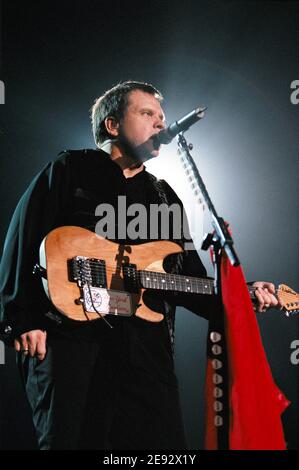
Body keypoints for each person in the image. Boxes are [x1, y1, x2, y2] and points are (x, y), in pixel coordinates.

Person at [0, 81, 280, 450]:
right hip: (72, 344)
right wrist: (23, 318)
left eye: (163, 118)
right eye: (147, 114)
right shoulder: (69, 169)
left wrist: (241, 296)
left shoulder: (164, 195)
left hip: (146, 354)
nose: (160, 125)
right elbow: (22, 238)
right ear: (113, 125)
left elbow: (189, 281)